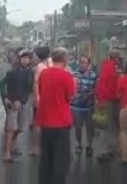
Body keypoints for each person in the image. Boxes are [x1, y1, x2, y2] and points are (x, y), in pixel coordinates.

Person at [36, 47, 75, 184]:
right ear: (64, 59)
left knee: (46, 158)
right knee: (60, 160)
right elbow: (70, 96)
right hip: (61, 121)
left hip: (45, 121)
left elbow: (40, 91)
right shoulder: (66, 76)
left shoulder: (44, 74)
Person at [0, 49, 33, 162]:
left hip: (24, 102)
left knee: (20, 128)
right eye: (23, 58)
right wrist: (5, 98)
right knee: (11, 128)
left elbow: (29, 90)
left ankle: (12, 145)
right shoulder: (12, 72)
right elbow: (2, 84)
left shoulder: (31, 73)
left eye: (27, 58)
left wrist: (22, 100)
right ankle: (7, 152)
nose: (25, 60)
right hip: (12, 102)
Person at [96, 49, 122, 161]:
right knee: (105, 125)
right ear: (114, 58)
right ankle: (102, 151)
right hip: (107, 99)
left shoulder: (114, 67)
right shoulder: (108, 67)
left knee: (111, 125)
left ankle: (109, 148)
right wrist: (101, 99)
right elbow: (103, 83)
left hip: (113, 99)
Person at [71, 56, 97, 157]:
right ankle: (79, 144)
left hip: (89, 106)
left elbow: (96, 88)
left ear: (89, 64)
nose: (82, 64)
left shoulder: (93, 76)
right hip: (76, 105)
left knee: (89, 127)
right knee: (77, 127)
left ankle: (89, 145)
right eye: (81, 62)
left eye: (85, 63)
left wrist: (91, 94)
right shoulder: (74, 74)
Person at [29, 46, 52, 156]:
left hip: (41, 98)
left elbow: (36, 84)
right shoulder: (52, 64)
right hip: (50, 98)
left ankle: (35, 147)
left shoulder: (39, 67)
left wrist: (36, 99)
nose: (32, 57)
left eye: (34, 55)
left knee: (37, 123)